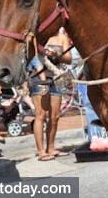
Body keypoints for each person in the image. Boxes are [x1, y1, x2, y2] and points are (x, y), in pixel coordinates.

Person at [28, 27, 73, 161]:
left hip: (56, 78)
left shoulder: (62, 38)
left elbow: (69, 58)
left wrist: (56, 54)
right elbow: (32, 55)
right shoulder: (39, 36)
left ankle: (51, 147)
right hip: (39, 78)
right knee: (40, 114)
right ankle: (41, 151)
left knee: (55, 115)